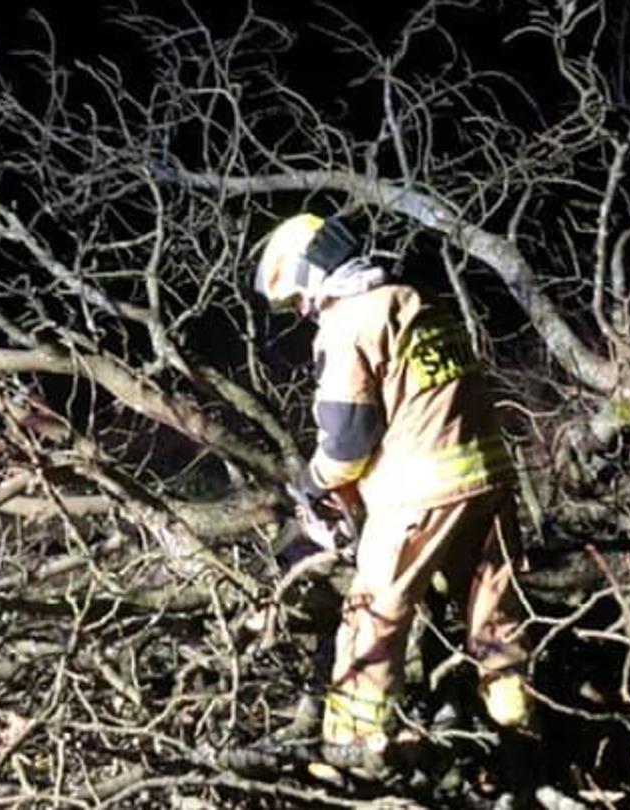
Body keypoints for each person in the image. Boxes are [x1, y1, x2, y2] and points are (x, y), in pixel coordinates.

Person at [253, 212, 535, 777]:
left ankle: (356, 743)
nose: (303, 312)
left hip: (418, 492)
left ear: (310, 274)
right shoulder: (418, 302)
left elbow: (349, 441)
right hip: (491, 478)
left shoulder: (350, 324)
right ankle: (517, 721)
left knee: (374, 611)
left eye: (298, 300)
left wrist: (313, 484)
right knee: (493, 606)